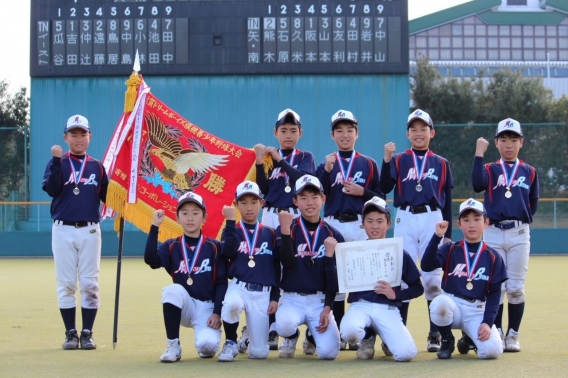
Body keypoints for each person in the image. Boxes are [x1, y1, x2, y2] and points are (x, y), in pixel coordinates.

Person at [379, 109, 454, 352]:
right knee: (401, 275)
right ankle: (397, 333)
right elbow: (384, 186)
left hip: (434, 217)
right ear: (407, 134)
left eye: (424, 129)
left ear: (432, 132)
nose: (419, 133)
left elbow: (448, 198)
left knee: (433, 279)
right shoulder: (400, 159)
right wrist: (387, 159)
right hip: (406, 216)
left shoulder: (441, 163)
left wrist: (448, 231)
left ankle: (434, 334)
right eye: (414, 129)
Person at [316, 109, 384, 350]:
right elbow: (315, 195)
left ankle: (364, 334)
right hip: (333, 224)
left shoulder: (368, 164)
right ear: (332, 135)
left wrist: (363, 192)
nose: (345, 134)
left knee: (363, 280)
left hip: (359, 223)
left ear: (357, 133)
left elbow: (382, 197)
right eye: (340, 130)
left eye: (349, 130)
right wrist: (325, 170)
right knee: (334, 280)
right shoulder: (327, 163)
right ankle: (337, 334)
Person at [472, 118, 539, 352]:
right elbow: (477, 184)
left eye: (513, 139)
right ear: (497, 143)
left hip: (519, 232)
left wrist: (522, 219)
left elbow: (534, 202)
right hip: (493, 232)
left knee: (516, 287)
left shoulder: (529, 171)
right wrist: (479, 154)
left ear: (521, 142)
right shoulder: (490, 169)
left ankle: (513, 334)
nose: (508, 144)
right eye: (503, 139)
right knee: (497, 287)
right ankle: (498, 331)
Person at [42, 114, 109, 350]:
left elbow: (107, 197)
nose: (78, 139)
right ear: (65, 137)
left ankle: (87, 333)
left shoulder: (97, 166)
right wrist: (55, 160)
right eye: (74, 134)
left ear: (90, 136)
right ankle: (71, 333)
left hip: (90, 229)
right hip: (62, 230)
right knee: (67, 283)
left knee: (90, 283)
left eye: (83, 134)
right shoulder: (57, 162)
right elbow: (51, 190)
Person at [252, 108, 315, 350]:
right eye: (283, 130)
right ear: (275, 132)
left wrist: (280, 160)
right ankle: (270, 327)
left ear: (300, 133)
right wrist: (260, 162)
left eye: (293, 130)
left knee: (295, 263)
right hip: (271, 214)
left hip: (297, 214)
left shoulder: (304, 156)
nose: (288, 135)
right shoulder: (268, 158)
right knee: (270, 266)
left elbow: (303, 181)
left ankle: (295, 327)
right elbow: (263, 190)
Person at [144, 192, 227, 362]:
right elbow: (151, 260)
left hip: (207, 309)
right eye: (185, 213)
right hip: (184, 306)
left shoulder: (214, 247)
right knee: (172, 290)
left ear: (204, 217)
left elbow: (221, 283)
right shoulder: (172, 246)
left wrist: (217, 313)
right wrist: (154, 226)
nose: (190, 218)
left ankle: (205, 339)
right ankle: (173, 345)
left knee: (208, 347)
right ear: (177, 218)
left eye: (195, 213)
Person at [421, 199, 508, 360]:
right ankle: (447, 340)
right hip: (452, 305)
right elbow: (426, 265)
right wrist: (436, 237)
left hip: (476, 310)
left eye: (477, 219)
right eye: (466, 220)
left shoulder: (494, 256)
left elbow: (495, 294)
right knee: (439, 304)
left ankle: (469, 339)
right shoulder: (450, 248)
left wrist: (487, 323)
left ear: (486, 223)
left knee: (492, 351)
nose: (472, 224)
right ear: (459, 224)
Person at [340, 197, 423, 361]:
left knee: (406, 354)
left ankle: (386, 339)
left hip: (387, 307)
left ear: (389, 224)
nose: (375, 226)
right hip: (360, 305)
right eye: (370, 221)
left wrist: (396, 295)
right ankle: (367, 336)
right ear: (363, 223)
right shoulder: (352, 251)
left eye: (380, 221)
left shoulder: (398, 251)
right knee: (349, 332)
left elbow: (418, 288)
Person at [275, 174, 342, 360]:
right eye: (303, 198)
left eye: (314, 196)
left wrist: (328, 308)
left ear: (323, 198)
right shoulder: (287, 227)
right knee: (284, 325)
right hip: (291, 299)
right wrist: (286, 232)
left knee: (329, 354)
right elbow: (287, 263)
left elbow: (334, 279)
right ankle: (291, 336)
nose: (309, 202)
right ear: (295, 201)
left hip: (320, 301)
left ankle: (312, 335)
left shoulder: (333, 234)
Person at [218, 181, 279, 362]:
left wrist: (275, 296)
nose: (249, 207)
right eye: (243, 202)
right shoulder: (232, 230)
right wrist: (230, 222)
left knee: (259, 353)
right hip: (239, 287)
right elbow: (228, 252)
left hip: (263, 293)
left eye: (254, 202)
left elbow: (276, 268)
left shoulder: (270, 233)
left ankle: (246, 339)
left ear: (262, 203)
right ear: (235, 205)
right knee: (231, 305)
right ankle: (230, 342)